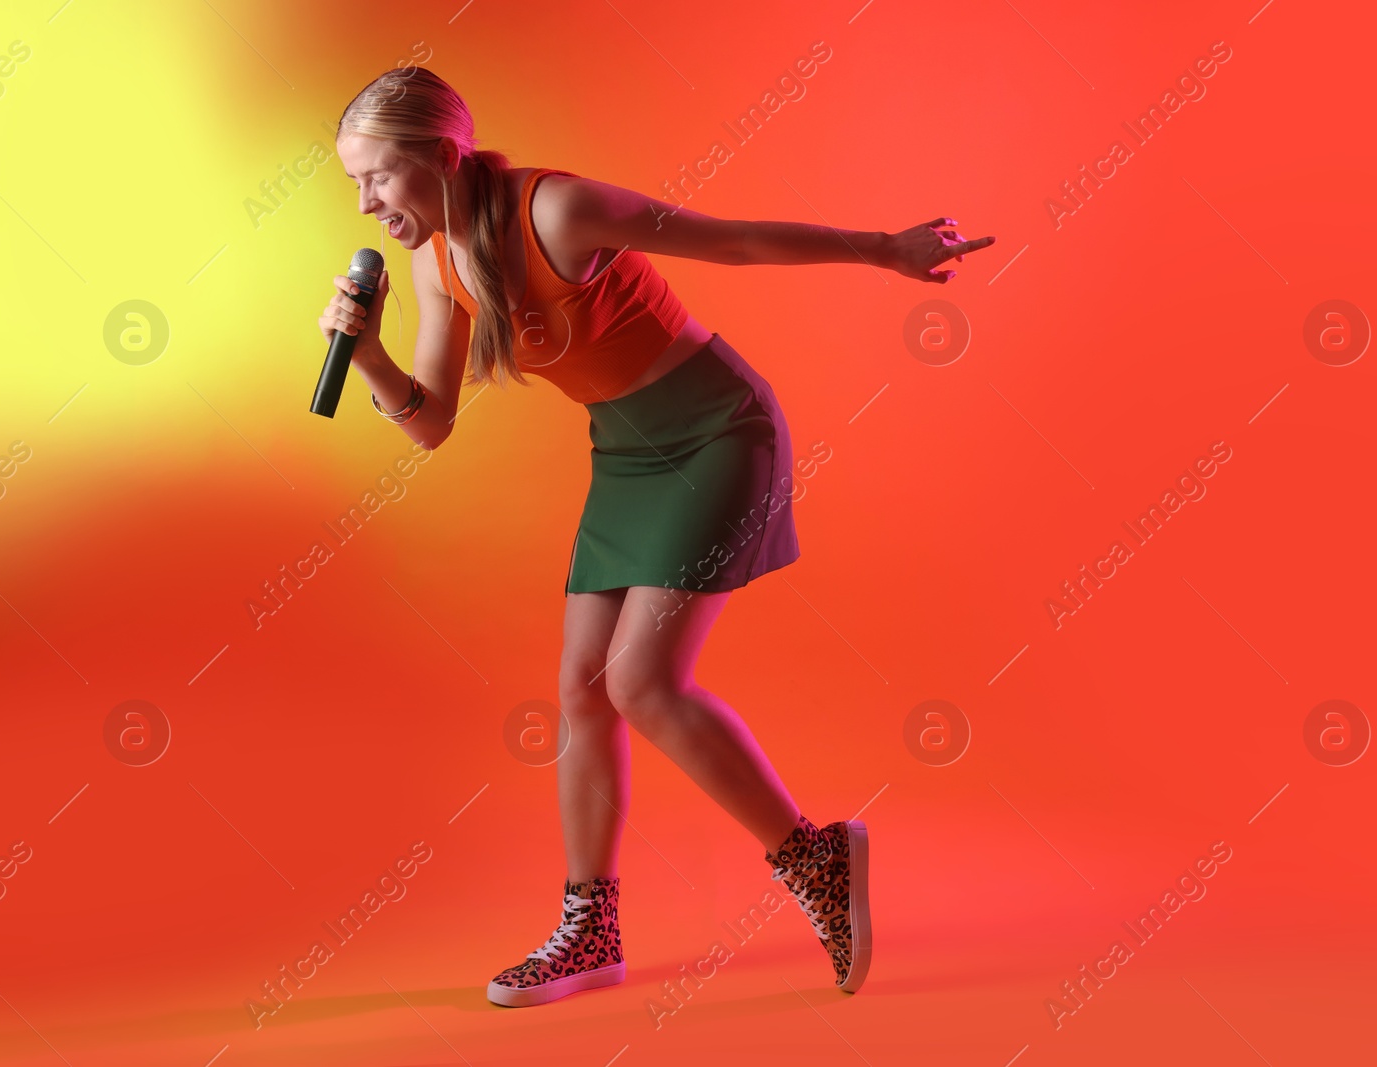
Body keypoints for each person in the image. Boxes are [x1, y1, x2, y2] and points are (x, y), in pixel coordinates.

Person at [322, 66, 995, 1009]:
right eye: (354, 182)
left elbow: (732, 240)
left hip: (717, 431)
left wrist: (886, 248)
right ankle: (589, 930)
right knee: (582, 689)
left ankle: (815, 859)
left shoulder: (555, 209)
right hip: (627, 453)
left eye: (380, 177)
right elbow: (430, 423)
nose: (365, 202)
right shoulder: (436, 262)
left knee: (641, 681)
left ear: (441, 156)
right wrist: (369, 352)